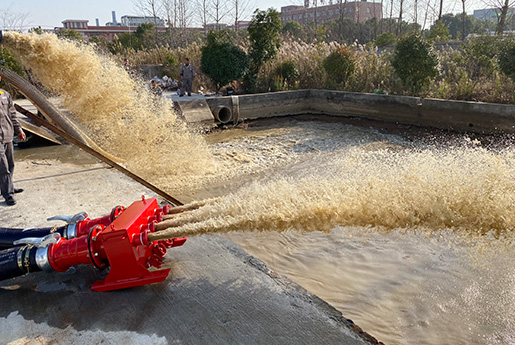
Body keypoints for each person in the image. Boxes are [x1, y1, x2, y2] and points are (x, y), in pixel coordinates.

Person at [0, 76, 26, 206]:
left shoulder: (5, 94)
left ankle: (8, 187)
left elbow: (12, 114)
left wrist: (19, 130)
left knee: (10, 164)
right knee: (3, 167)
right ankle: (8, 194)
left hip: (8, 135)